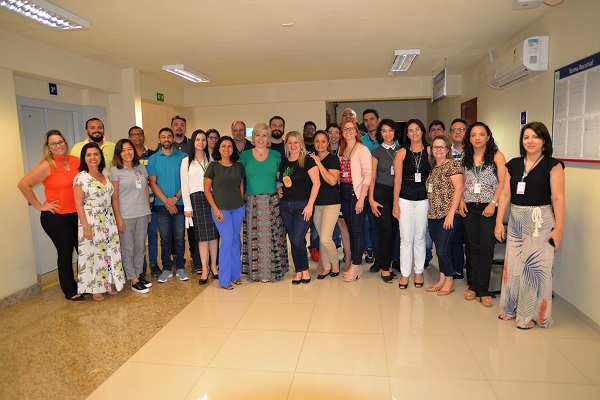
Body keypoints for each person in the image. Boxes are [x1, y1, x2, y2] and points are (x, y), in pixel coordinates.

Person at [495, 122, 565, 329]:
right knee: (513, 266)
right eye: (526, 137)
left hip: (539, 221)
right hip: (516, 220)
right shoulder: (514, 164)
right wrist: (499, 222)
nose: (530, 141)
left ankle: (530, 316)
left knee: (534, 268)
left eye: (535, 136)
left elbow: (558, 198)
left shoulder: (553, 165)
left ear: (544, 141)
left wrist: (558, 229)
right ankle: (509, 309)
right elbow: (505, 194)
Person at [17, 130, 83, 301]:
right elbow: (23, 184)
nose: (58, 146)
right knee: (65, 252)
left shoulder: (75, 160)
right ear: (48, 147)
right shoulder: (47, 165)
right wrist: (40, 205)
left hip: (77, 214)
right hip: (56, 217)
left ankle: (86, 284)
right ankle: (70, 290)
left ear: (65, 142)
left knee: (83, 250)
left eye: (60, 142)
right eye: (53, 143)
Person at [459, 122, 506, 307]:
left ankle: (483, 289)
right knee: (472, 247)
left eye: (481, 134)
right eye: (473, 135)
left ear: (488, 137)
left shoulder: (496, 156)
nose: (477, 138)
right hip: (470, 206)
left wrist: (493, 203)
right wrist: (461, 201)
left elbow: (503, 182)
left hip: (489, 207)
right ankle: (474, 285)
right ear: (469, 138)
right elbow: (463, 182)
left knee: (486, 247)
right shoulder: (466, 157)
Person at [74, 142, 125, 301]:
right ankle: (95, 288)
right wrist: (85, 227)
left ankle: (108, 284)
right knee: (94, 254)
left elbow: (111, 197)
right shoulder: (81, 177)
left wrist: (116, 219)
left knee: (108, 251)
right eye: (88, 155)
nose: (93, 157)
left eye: (96, 154)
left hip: (108, 219)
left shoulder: (104, 174)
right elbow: (78, 203)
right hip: (91, 220)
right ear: (84, 158)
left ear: (101, 157)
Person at [240, 123, 288, 283]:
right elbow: (238, 179)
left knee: (273, 236)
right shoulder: (245, 156)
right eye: (258, 135)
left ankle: (273, 271)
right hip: (252, 201)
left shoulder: (276, 155)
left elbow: (281, 177)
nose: (261, 138)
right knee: (255, 238)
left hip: (272, 200)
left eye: (264, 135)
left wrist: (281, 186)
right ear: (253, 137)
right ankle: (256, 272)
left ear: (268, 138)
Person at [392, 119, 431, 289]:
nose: (414, 133)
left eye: (417, 129)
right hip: (405, 199)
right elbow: (397, 180)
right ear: (406, 134)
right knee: (406, 238)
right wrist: (395, 204)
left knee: (420, 237)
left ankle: (419, 271)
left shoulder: (430, 151)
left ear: (422, 131)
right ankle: (405, 273)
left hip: (424, 199)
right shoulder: (401, 153)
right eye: (410, 130)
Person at [110, 139, 152, 294]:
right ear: (118, 153)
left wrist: (148, 210)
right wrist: (118, 218)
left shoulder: (141, 167)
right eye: (123, 150)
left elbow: (146, 190)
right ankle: (133, 279)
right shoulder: (115, 170)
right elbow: (114, 196)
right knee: (128, 248)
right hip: (126, 215)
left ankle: (138, 275)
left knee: (140, 247)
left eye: (129, 149)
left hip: (142, 213)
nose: (127, 152)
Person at [204, 136, 246, 290]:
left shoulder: (238, 166)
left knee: (235, 240)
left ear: (233, 149)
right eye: (223, 146)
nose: (226, 149)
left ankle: (235, 275)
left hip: (238, 208)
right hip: (221, 209)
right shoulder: (213, 166)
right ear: (218, 148)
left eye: (229, 146)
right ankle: (224, 280)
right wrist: (215, 209)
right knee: (227, 240)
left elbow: (241, 187)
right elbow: (206, 190)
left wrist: (241, 202)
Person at [147, 128, 189, 283]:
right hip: (161, 205)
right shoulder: (153, 159)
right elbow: (152, 182)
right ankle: (166, 268)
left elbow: (187, 181)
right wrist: (167, 201)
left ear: (173, 139)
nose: (166, 139)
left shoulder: (183, 157)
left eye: (169, 136)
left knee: (179, 237)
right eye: (163, 137)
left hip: (180, 203)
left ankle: (180, 267)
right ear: (159, 139)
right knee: (164, 238)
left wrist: (175, 198)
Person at [279, 131, 320, 284]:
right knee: (295, 240)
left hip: (303, 206)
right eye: (289, 142)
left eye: (296, 142)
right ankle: (299, 270)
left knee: (297, 240)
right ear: (286, 145)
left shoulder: (307, 160)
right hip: (285, 206)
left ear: (301, 144)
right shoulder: (284, 162)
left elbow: (316, 183)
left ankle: (305, 269)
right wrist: (279, 188)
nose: (293, 145)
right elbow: (283, 181)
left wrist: (310, 205)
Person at [425, 136, 464, 296]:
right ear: (432, 150)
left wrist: (450, 214)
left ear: (447, 149)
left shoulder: (452, 165)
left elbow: (459, 189)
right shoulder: (434, 168)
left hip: (448, 215)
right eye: (436, 147)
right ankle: (441, 280)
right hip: (433, 215)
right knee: (441, 249)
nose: (439, 150)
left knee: (442, 250)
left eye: (442, 147)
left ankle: (449, 281)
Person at [181, 130, 220, 285]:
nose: (201, 142)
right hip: (196, 200)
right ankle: (204, 269)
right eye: (198, 139)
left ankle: (214, 266)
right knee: (202, 237)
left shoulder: (212, 159)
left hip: (212, 199)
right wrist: (187, 206)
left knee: (214, 236)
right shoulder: (186, 161)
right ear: (193, 141)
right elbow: (184, 185)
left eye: (204, 140)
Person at [339, 118, 372, 282]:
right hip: (344, 193)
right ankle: (354, 262)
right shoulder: (342, 149)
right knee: (351, 230)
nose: (348, 131)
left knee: (358, 231)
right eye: (345, 129)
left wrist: (361, 199)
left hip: (356, 194)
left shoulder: (362, 149)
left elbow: (368, 175)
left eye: (351, 128)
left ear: (356, 132)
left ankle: (357, 265)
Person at [369, 119, 401, 283]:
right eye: (384, 130)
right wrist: (371, 199)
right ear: (380, 134)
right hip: (381, 193)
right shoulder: (376, 152)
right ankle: (385, 268)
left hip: (398, 194)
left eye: (390, 130)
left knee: (394, 231)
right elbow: (371, 177)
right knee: (386, 231)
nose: (388, 133)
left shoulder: (402, 150)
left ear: (395, 132)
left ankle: (390, 263)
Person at [128, 126, 160, 278]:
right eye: (134, 135)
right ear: (129, 137)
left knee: (152, 234)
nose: (137, 137)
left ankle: (154, 264)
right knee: (138, 238)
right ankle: (141, 266)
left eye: (140, 134)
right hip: (134, 205)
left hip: (152, 202)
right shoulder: (127, 157)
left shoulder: (153, 155)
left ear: (144, 136)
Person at [310, 130, 341, 279]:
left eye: (323, 141)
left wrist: (318, 163)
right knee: (321, 239)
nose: (320, 144)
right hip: (317, 204)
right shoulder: (310, 159)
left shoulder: (333, 159)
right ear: (313, 143)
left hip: (331, 203)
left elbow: (332, 181)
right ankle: (327, 267)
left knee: (325, 238)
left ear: (328, 142)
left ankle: (335, 264)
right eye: (317, 141)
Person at [449, 118, 471, 281]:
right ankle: (457, 269)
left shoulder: (473, 151)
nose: (458, 132)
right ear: (450, 134)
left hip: (470, 199)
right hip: (450, 199)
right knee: (454, 236)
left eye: (462, 129)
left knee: (470, 238)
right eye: (455, 130)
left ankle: (471, 271)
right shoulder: (444, 151)